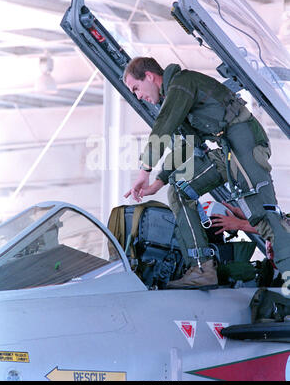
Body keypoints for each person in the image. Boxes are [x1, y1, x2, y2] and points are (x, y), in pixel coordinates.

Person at [124, 56, 290, 288]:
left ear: (149, 77)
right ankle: (201, 268)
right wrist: (159, 181)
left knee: (267, 220)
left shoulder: (182, 84)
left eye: (136, 88)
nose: (138, 96)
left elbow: (164, 124)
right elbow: (187, 142)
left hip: (244, 146)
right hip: (226, 152)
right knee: (179, 190)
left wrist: (144, 170)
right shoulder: (178, 94)